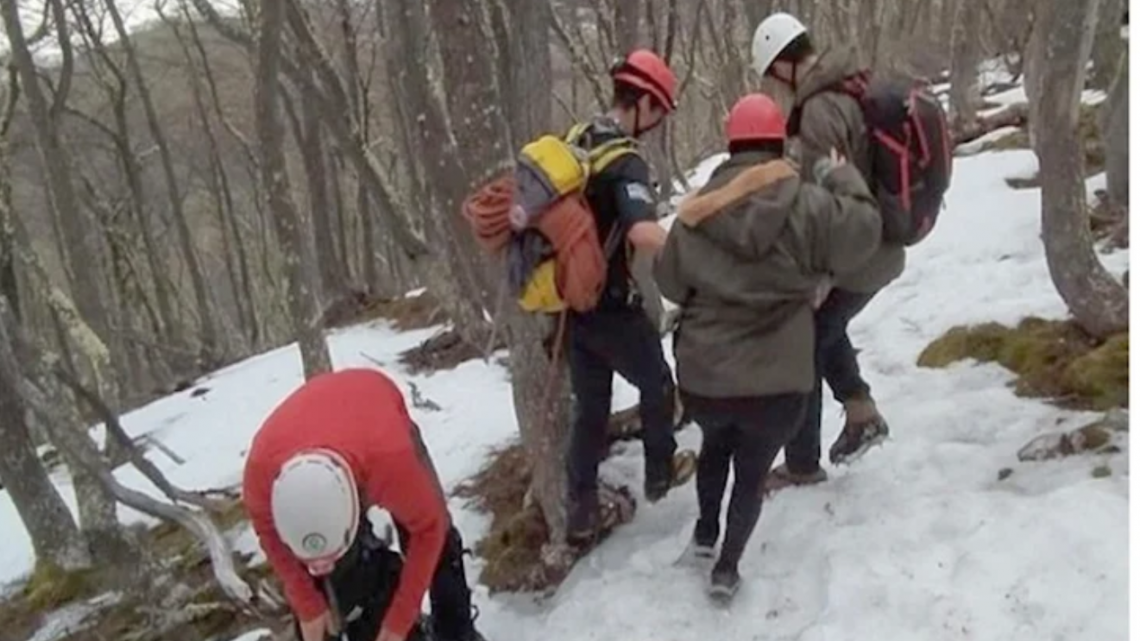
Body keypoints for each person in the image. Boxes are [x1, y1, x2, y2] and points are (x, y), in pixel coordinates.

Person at [655, 93, 881, 600]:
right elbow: (865, 234)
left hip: (705, 378)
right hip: (779, 383)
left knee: (714, 448)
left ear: (729, 143)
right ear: (781, 142)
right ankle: (727, 569)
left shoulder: (695, 210)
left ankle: (703, 536)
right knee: (752, 470)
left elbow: (669, 281)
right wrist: (839, 175)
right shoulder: (808, 203)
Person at [750, 12, 900, 490]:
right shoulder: (853, 82)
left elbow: (830, 204)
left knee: (804, 341)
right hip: (883, 244)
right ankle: (861, 412)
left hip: (858, 253)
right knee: (824, 330)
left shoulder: (818, 111)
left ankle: (801, 464)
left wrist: (821, 276)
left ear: (779, 66)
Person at [562, 48, 696, 544]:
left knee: (591, 409)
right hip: (611, 305)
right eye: (658, 110)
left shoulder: (579, 138)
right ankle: (661, 470)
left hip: (571, 306)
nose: (658, 121)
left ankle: (579, 508)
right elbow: (641, 233)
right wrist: (689, 251)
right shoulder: (626, 161)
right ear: (642, 103)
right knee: (658, 383)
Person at [242, 368, 484, 641]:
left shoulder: (392, 462)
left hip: (375, 408)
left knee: (437, 544)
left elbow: (429, 530)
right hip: (318, 431)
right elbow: (268, 533)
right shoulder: (260, 476)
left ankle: (457, 630)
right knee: (342, 574)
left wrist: (397, 624)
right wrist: (307, 603)